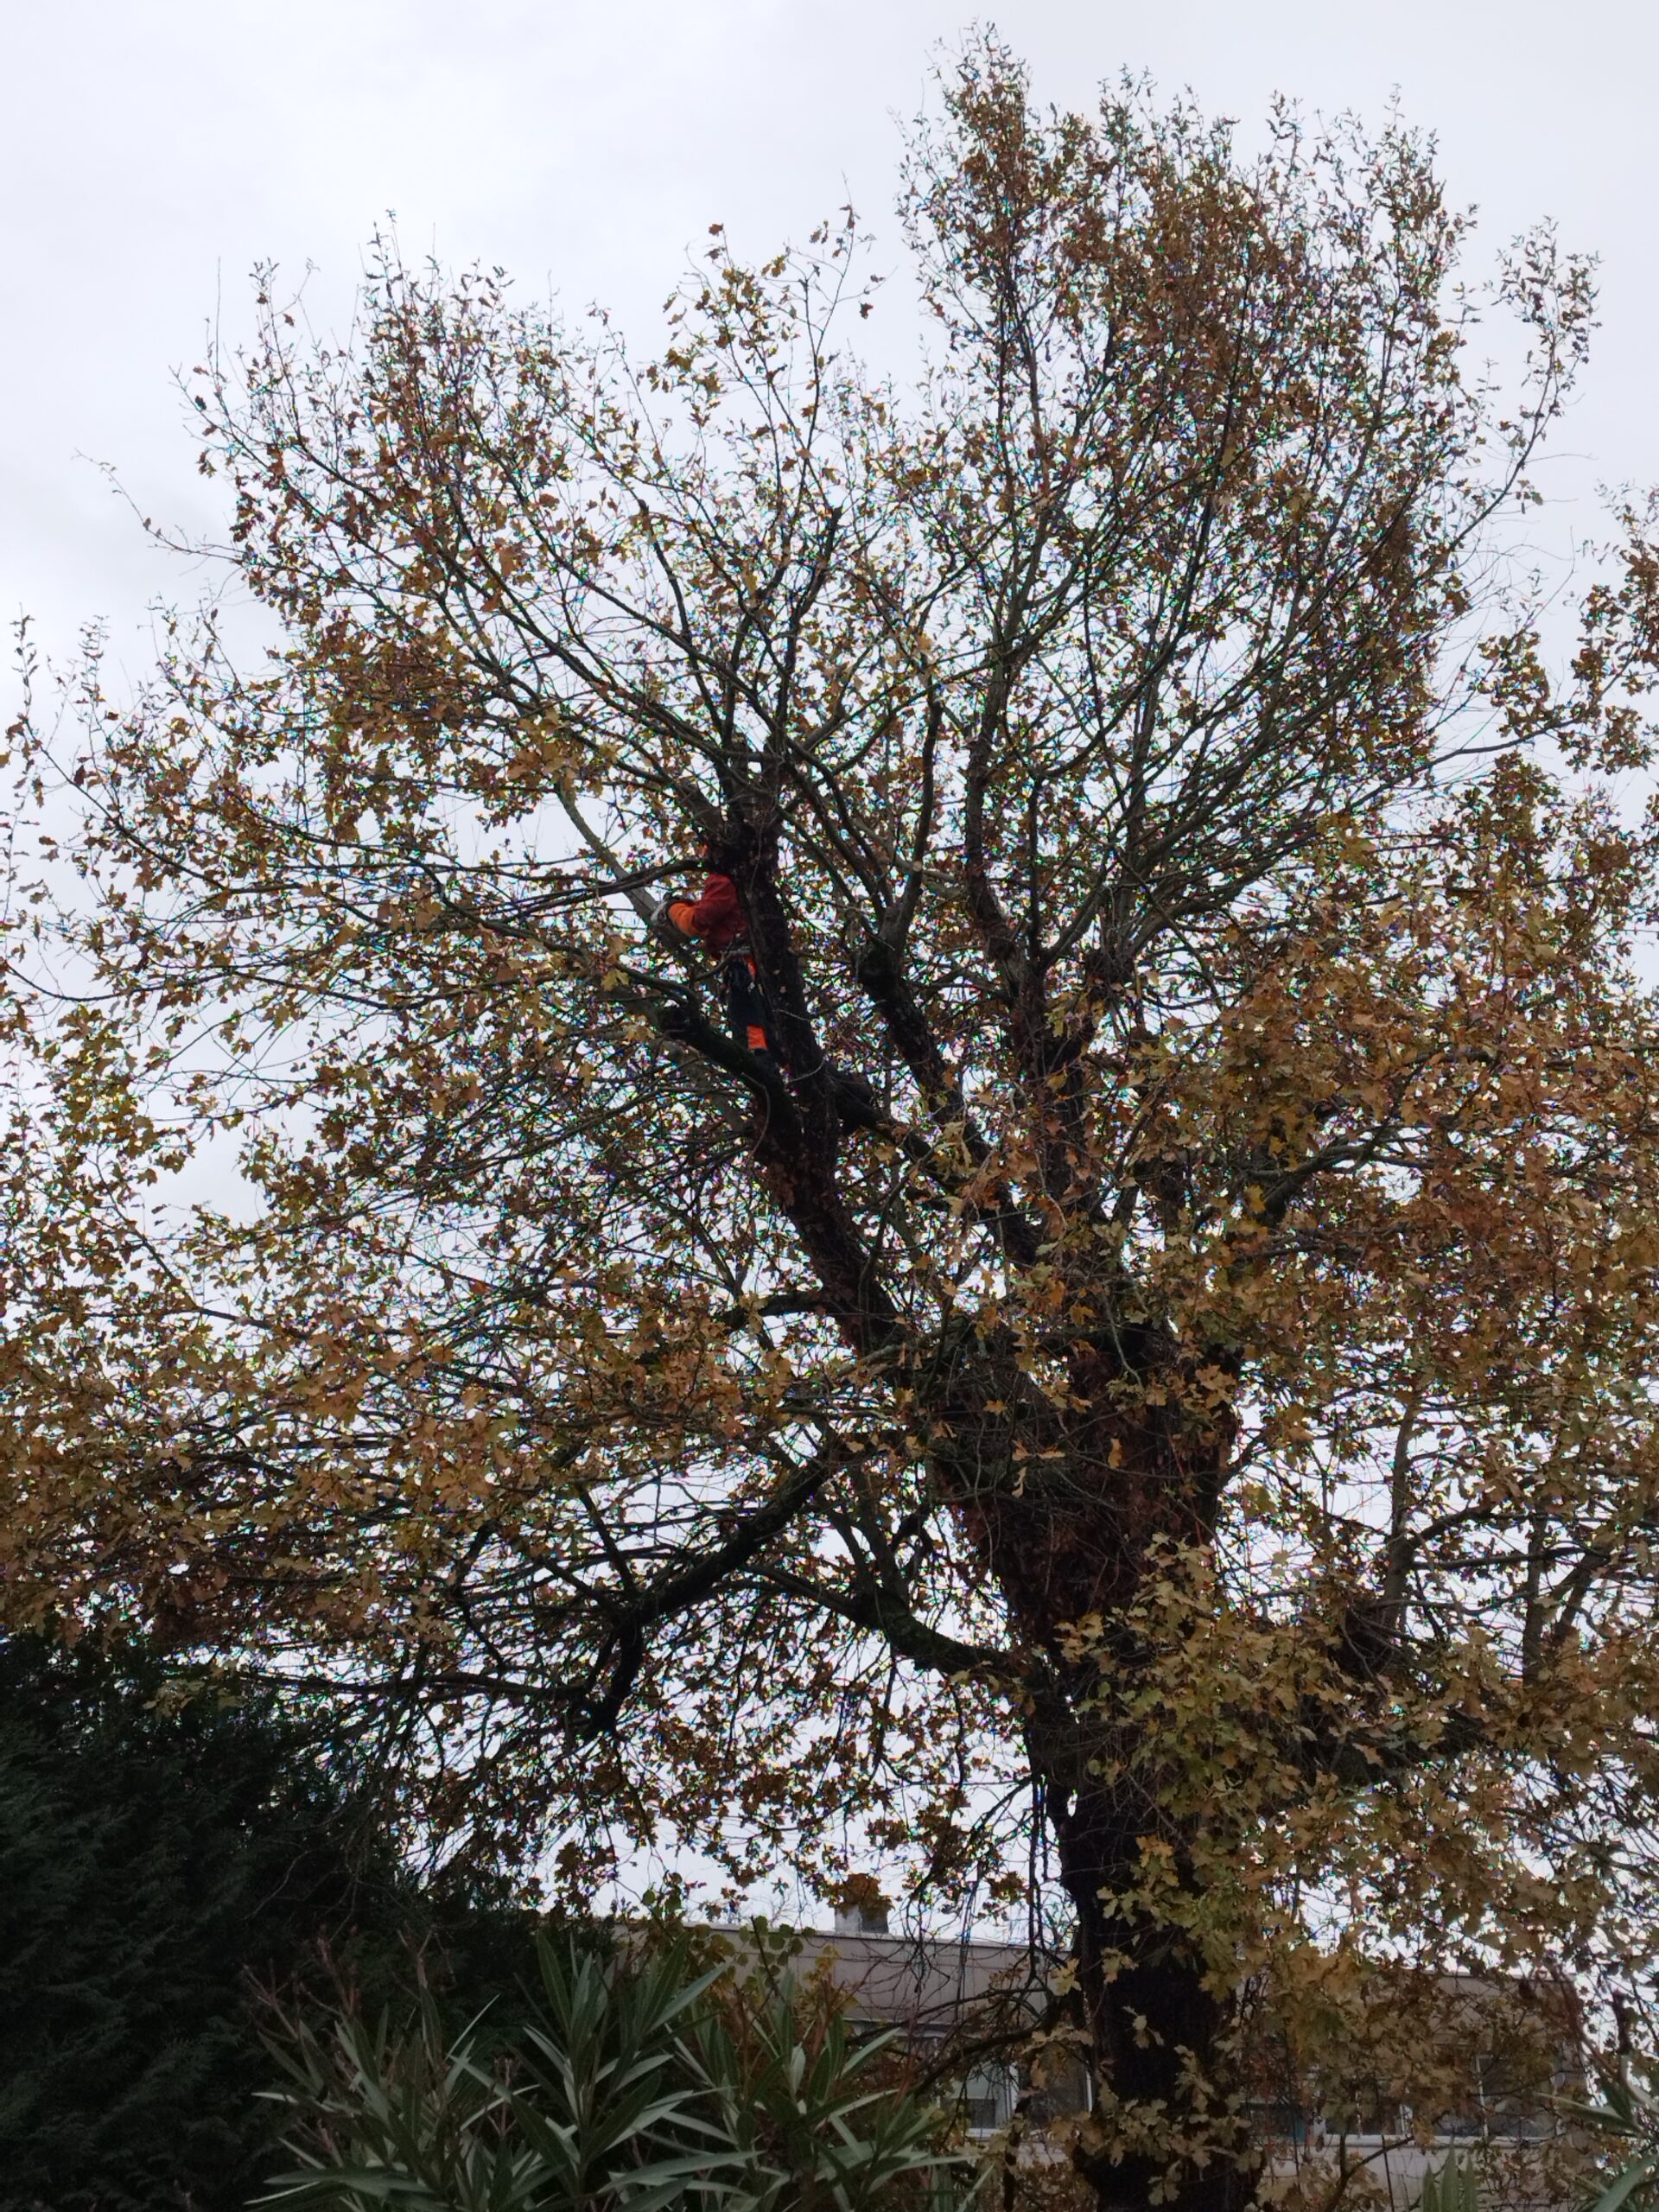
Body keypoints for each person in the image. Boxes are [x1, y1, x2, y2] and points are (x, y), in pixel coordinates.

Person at [651, 852, 788, 1082]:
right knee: (778, 1038)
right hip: (765, 970)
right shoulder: (754, 881)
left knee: (752, 1036)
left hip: (744, 970)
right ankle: (809, 1084)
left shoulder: (726, 879)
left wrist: (673, 910)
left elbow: (698, 921)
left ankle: (767, 1080)